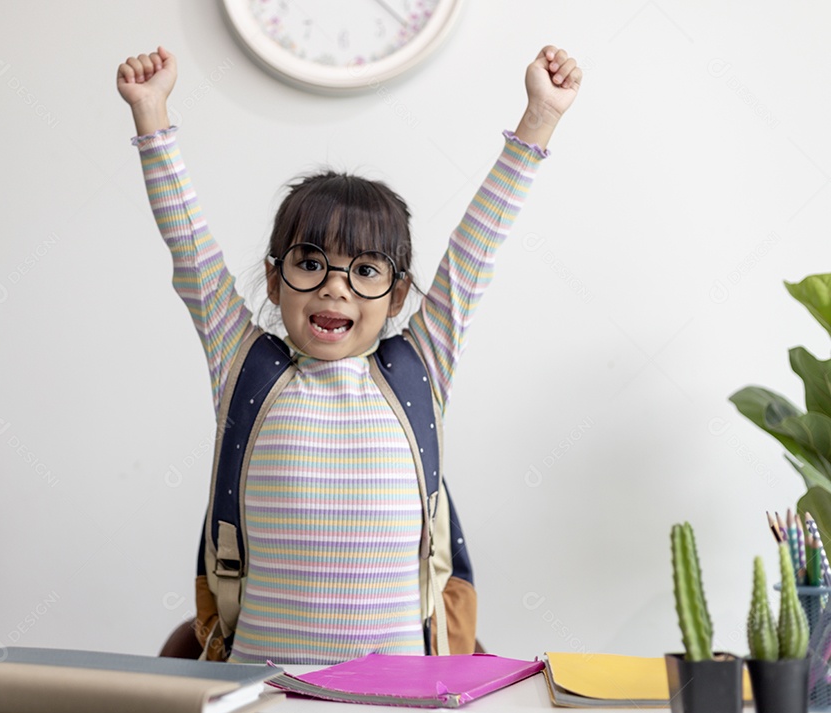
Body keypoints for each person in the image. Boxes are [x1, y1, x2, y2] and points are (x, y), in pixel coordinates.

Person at [118, 45, 581, 663]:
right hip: (260, 691)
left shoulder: (420, 366)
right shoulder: (244, 364)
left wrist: (539, 120)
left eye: (365, 270)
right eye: (311, 263)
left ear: (396, 297)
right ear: (275, 280)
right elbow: (191, 248)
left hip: (396, 699)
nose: (335, 285)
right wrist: (151, 114)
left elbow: (476, 252)